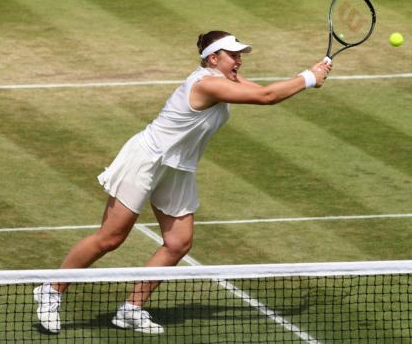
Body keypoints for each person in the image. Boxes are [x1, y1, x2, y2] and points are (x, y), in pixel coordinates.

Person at [33, 31, 331, 335]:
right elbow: (265, 97)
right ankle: (50, 291)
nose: (239, 61)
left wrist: (306, 78)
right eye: (233, 55)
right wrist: (309, 77)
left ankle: (131, 309)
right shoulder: (207, 83)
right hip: (147, 158)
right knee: (111, 238)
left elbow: (265, 91)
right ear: (213, 58)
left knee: (178, 243)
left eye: (241, 55)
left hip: (179, 168)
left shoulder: (225, 82)